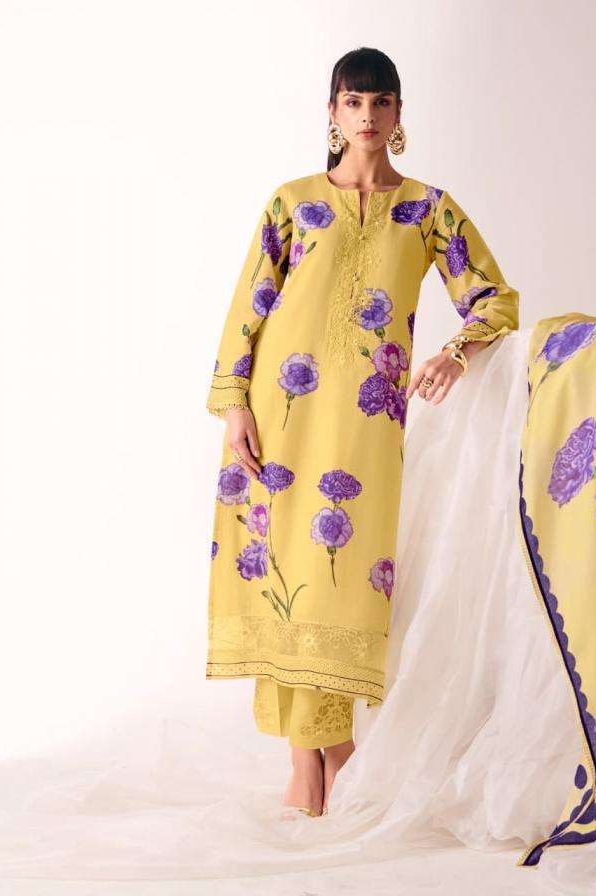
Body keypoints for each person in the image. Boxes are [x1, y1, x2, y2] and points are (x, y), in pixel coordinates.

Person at [204, 46, 519, 818]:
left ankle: (331, 747)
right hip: (281, 415)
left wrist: (455, 351)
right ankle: (311, 758)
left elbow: (496, 299)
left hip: (367, 425)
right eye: (353, 101)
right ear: (333, 112)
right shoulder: (292, 202)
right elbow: (250, 304)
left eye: (380, 102)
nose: (367, 116)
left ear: (399, 113)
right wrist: (235, 402)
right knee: (281, 568)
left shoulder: (428, 210)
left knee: (336, 578)